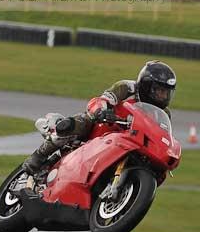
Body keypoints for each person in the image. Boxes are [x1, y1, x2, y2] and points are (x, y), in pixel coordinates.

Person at [22, 60, 177, 175]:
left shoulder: (164, 114)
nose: (163, 96)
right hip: (105, 125)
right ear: (146, 85)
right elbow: (105, 99)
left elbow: (161, 136)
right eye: (159, 91)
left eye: (167, 92)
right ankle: (39, 155)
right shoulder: (127, 88)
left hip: (130, 141)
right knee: (83, 122)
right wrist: (102, 112)